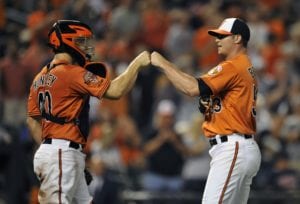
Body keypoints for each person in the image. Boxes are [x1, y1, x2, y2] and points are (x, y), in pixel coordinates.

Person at [26, 20, 150, 204]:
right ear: (68, 41)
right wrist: (137, 64)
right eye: (81, 41)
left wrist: (50, 148)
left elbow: (32, 120)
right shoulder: (71, 72)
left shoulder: (40, 76)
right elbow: (115, 92)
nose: (86, 46)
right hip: (61, 152)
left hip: (59, 151)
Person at [151, 18, 261, 204]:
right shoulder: (244, 66)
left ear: (237, 38)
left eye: (222, 36)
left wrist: (163, 64)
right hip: (240, 146)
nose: (217, 40)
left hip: (232, 147)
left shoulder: (233, 66)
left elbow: (193, 88)